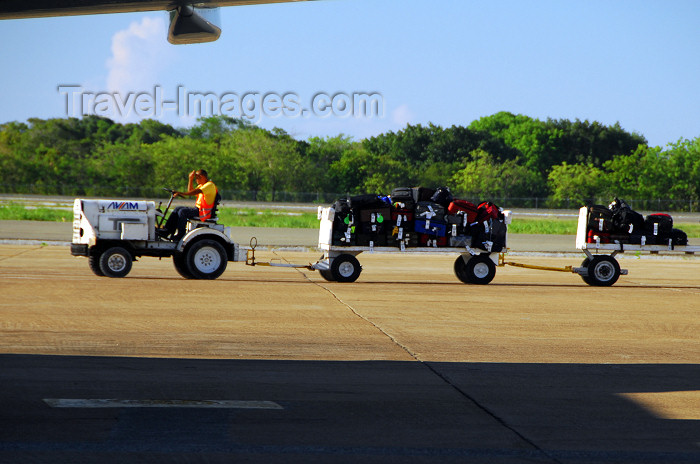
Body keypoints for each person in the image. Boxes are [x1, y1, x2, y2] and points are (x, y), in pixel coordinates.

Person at [160, 169, 218, 240]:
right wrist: (190, 179)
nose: (196, 180)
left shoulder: (209, 185)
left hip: (203, 212)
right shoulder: (202, 185)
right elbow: (191, 191)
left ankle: (181, 234)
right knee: (177, 209)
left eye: (197, 178)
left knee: (183, 212)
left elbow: (194, 192)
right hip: (198, 210)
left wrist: (180, 193)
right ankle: (167, 230)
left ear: (202, 177)